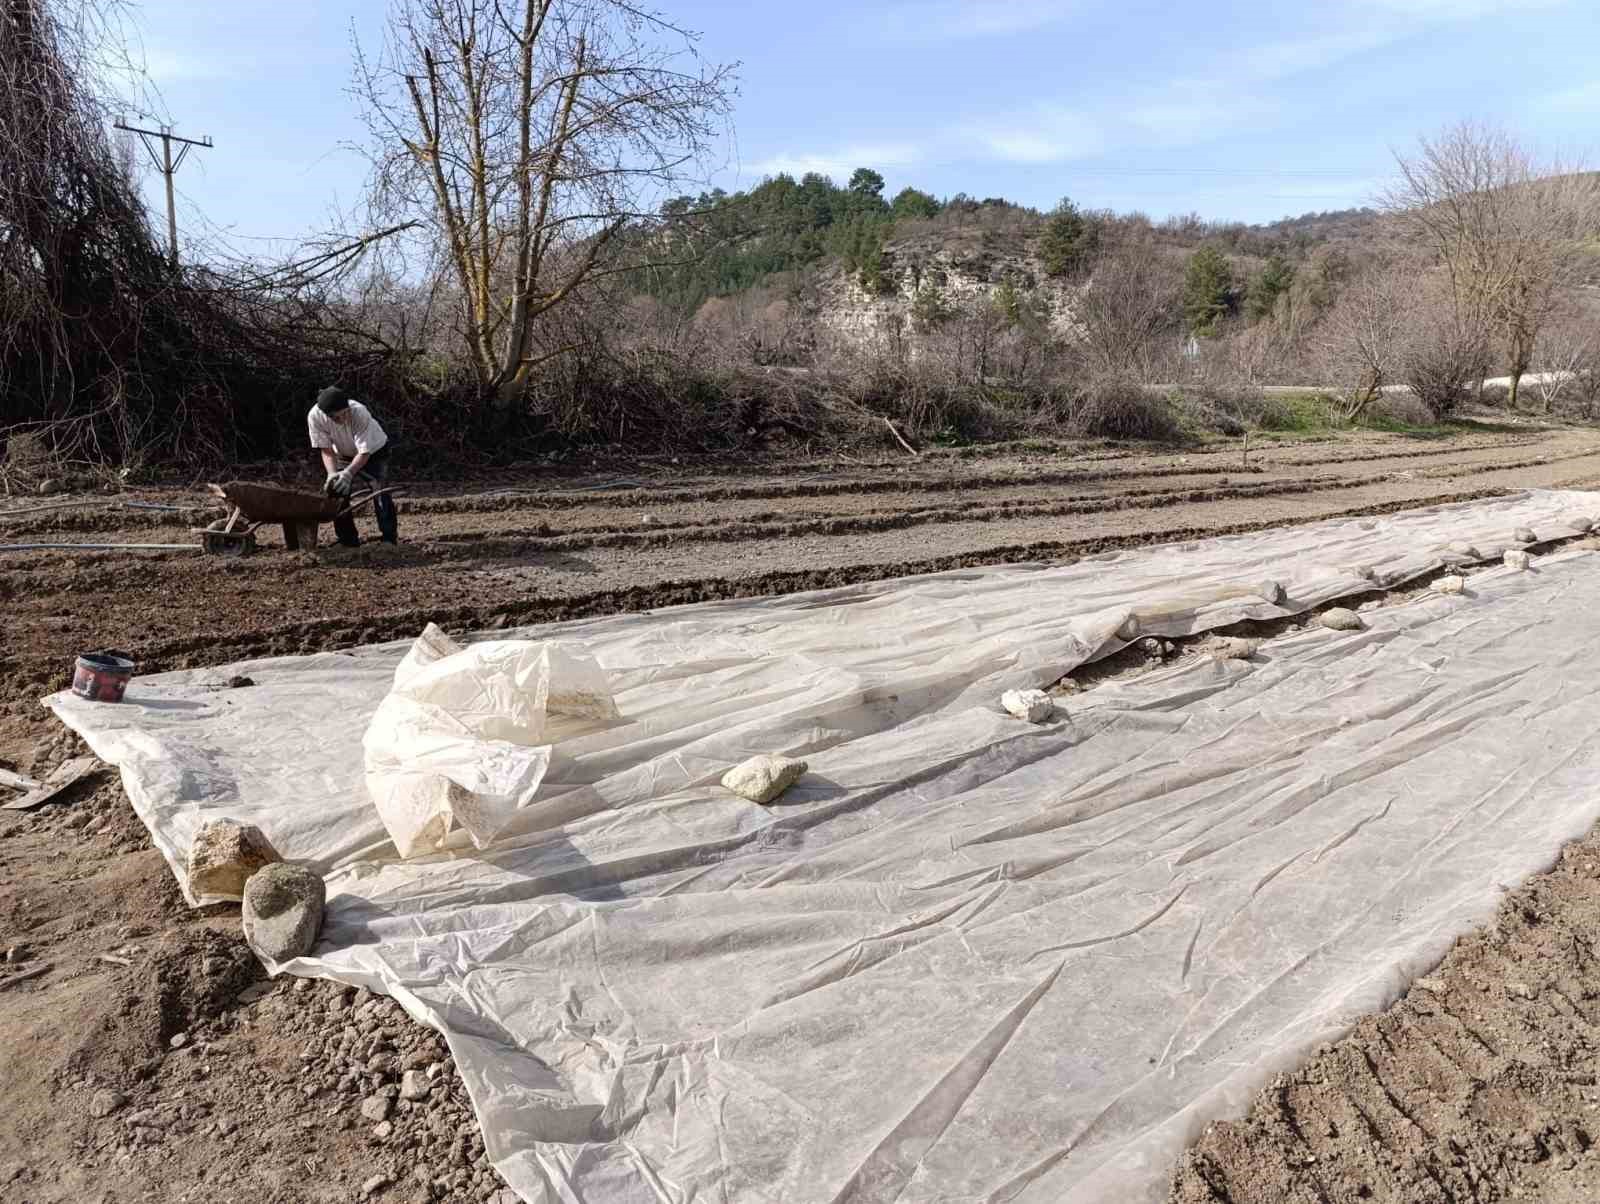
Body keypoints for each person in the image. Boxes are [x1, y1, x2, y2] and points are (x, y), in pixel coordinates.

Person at [307, 386, 398, 546]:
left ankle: (389, 538)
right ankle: (347, 541)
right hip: (343, 453)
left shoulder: (359, 412)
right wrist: (332, 473)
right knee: (337, 490)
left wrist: (348, 474)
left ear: (348, 407)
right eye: (336, 417)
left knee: (379, 490)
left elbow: (364, 452)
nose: (341, 419)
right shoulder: (315, 417)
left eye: (344, 414)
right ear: (326, 415)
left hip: (374, 452)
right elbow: (326, 450)